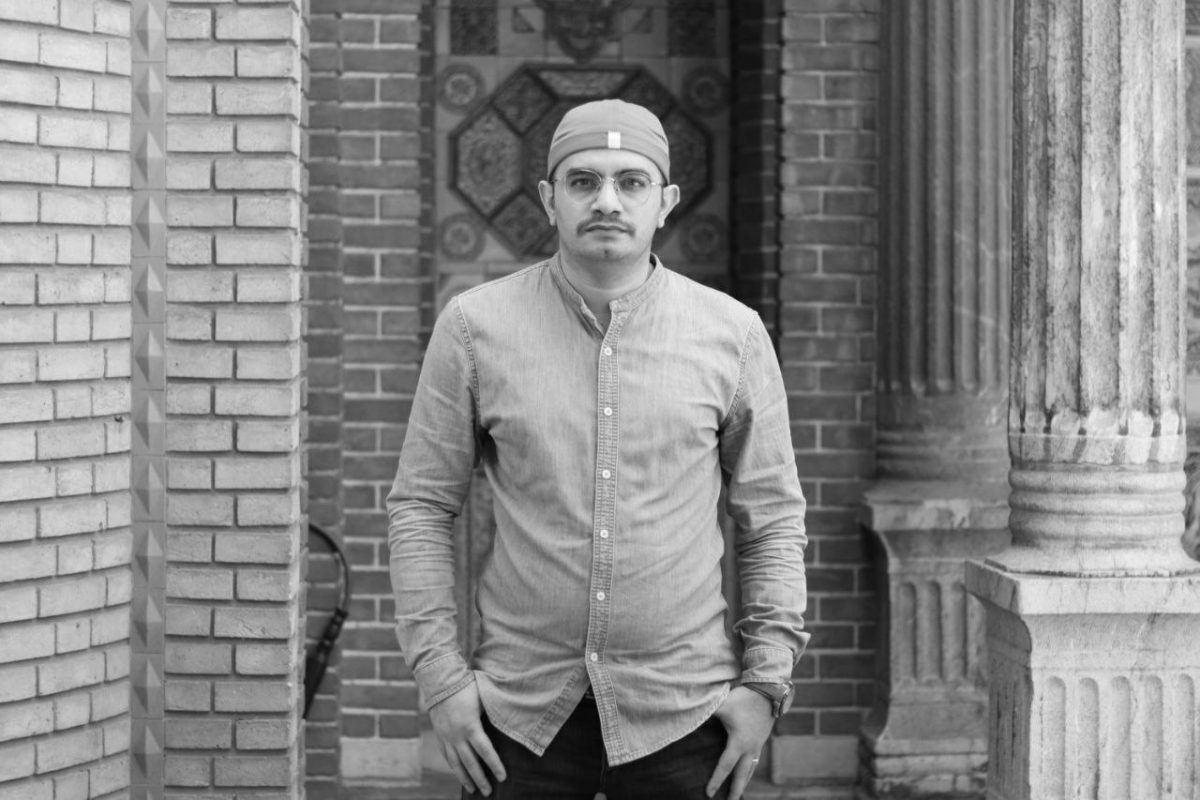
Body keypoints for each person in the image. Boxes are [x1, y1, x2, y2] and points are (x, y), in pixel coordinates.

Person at [387, 99, 808, 800]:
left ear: (665, 202)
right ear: (548, 199)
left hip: (684, 714)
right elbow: (421, 508)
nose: (607, 200)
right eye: (583, 181)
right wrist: (441, 680)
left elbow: (773, 519)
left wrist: (766, 682)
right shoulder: (474, 328)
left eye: (630, 182)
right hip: (518, 718)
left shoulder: (732, 335)